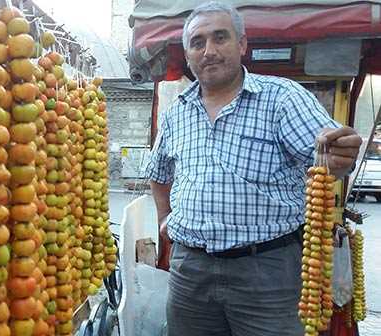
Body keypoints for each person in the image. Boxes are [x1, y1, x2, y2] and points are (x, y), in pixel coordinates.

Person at [145, 2, 362, 335]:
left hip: (267, 271)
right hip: (191, 270)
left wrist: (340, 157)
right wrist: (164, 219)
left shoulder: (282, 98)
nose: (209, 51)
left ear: (242, 44)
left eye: (220, 38)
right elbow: (159, 173)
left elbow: (329, 158)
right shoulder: (178, 111)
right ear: (187, 54)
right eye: (197, 42)